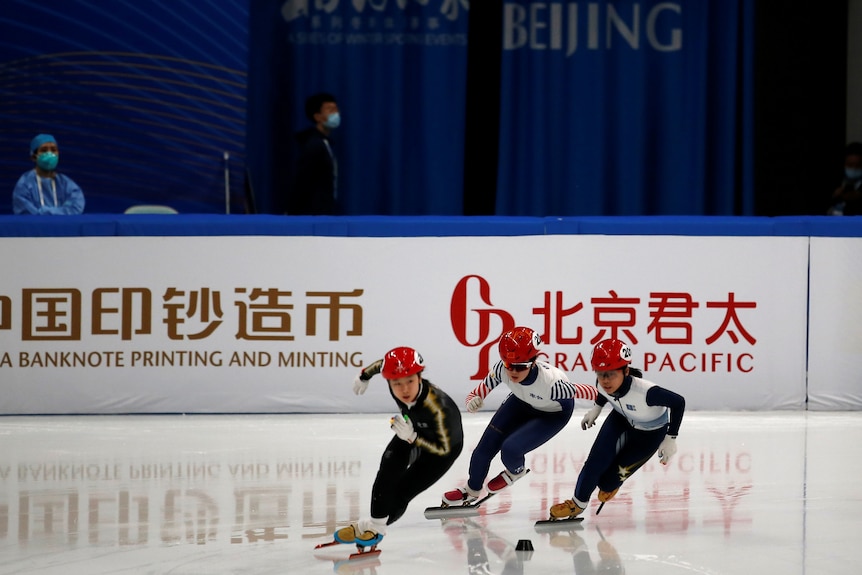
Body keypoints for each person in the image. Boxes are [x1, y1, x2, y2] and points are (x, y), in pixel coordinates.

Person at [442, 326, 598, 506]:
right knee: (482, 451)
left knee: (511, 449)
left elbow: (594, 392)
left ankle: (515, 472)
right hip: (521, 403)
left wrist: (597, 408)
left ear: (533, 362)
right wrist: (472, 400)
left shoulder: (552, 384)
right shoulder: (501, 368)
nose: (513, 372)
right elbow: (477, 392)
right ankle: (471, 490)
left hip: (552, 415)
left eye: (520, 366)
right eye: (509, 365)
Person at [333, 346, 463, 548]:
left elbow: (443, 450)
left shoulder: (439, 407)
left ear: (420, 377)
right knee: (388, 464)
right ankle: (374, 525)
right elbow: (381, 365)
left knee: (403, 490)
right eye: (396, 383)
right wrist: (364, 375)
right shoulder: (396, 380)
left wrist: (412, 437)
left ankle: (372, 526)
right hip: (412, 429)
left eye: (410, 381)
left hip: (442, 449)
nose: (404, 390)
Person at [548, 338, 685, 521]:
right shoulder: (601, 384)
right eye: (600, 373)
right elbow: (603, 393)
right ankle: (577, 504)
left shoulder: (647, 393)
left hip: (650, 434)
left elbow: (678, 402)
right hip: (620, 419)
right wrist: (596, 409)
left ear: (626, 371)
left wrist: (671, 438)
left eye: (611, 374)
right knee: (594, 463)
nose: (605, 380)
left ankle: (611, 484)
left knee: (607, 483)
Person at [290, 92, 340, 215]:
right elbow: (302, 181)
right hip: (312, 214)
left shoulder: (325, 143)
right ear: (318, 117)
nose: (336, 114)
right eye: (330, 110)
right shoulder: (314, 145)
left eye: (336, 109)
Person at [12, 134, 85, 215]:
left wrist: (43, 212)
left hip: (64, 227)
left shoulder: (67, 184)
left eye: (53, 150)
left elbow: (75, 209)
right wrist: (59, 213)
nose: (50, 154)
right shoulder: (25, 184)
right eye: (44, 150)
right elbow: (25, 212)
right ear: (33, 157)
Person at [827, 141, 862, 215]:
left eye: (858, 165)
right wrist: (835, 196)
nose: (854, 169)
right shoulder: (835, 181)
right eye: (850, 165)